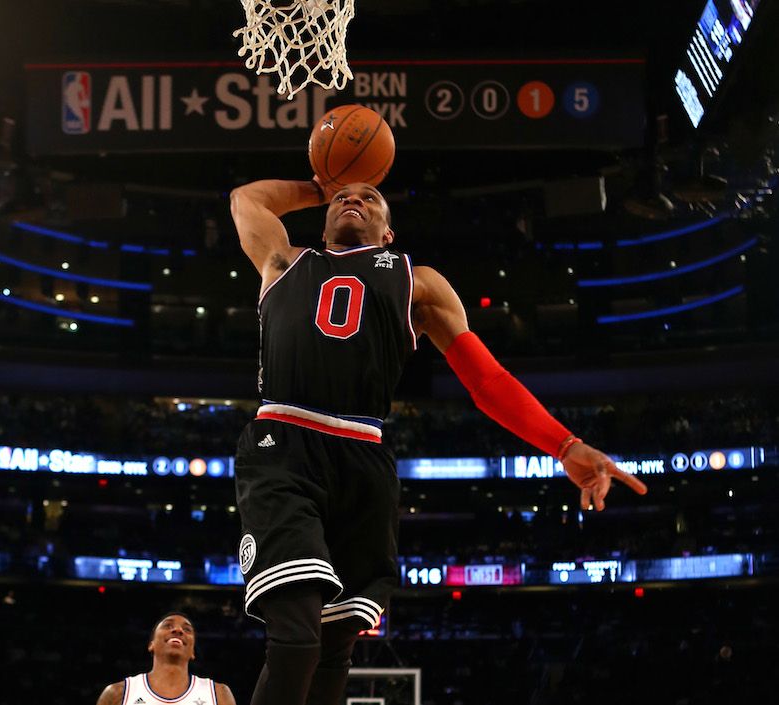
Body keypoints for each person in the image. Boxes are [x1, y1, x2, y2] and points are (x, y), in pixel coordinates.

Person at [229, 177, 649, 705]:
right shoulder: (281, 260)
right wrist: (321, 182)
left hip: (364, 452)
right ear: (321, 219)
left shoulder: (417, 280)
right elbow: (247, 199)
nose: (352, 200)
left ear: (388, 234)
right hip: (284, 443)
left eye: (370, 198)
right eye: (341, 198)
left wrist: (564, 445)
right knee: (294, 637)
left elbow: (486, 380)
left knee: (335, 646)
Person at [96, 612, 236, 705]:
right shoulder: (117, 693)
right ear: (151, 644)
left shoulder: (219, 694)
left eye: (187, 629)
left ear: (193, 651)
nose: (178, 630)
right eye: (168, 625)